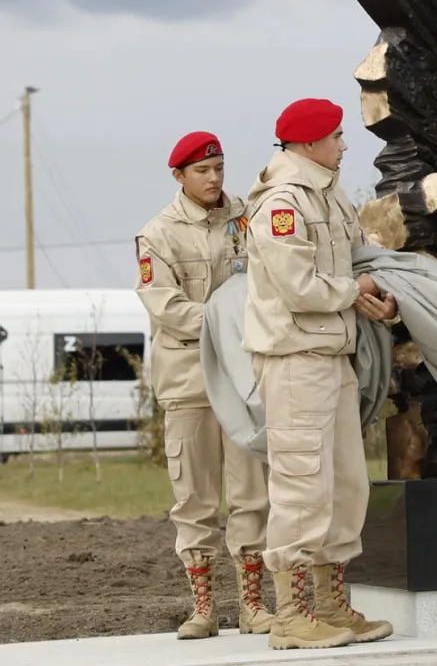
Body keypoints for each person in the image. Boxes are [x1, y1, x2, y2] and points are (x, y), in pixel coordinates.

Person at [244, 99, 398, 650]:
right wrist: (353, 292)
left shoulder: (325, 190)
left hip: (331, 354)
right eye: (336, 135)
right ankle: (291, 617)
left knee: (345, 484)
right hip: (294, 359)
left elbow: (352, 258)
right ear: (308, 143)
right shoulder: (281, 203)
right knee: (300, 486)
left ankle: (331, 606)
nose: (344, 144)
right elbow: (299, 287)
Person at [136, 131, 274, 639]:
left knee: (251, 493)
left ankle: (253, 605)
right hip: (189, 379)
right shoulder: (159, 234)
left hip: (242, 377)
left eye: (218, 168)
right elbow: (165, 306)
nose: (214, 178)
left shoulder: (246, 217)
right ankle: (202, 609)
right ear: (179, 176)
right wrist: (226, 322)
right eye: (202, 171)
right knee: (194, 498)